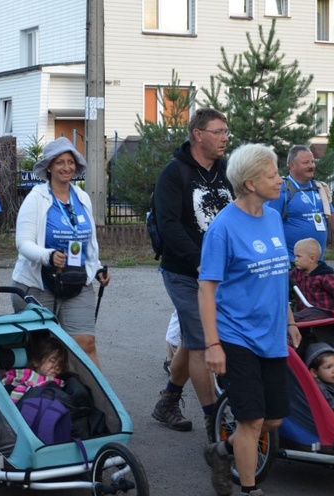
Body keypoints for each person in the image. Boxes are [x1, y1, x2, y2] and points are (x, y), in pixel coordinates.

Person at [199, 143, 300, 496]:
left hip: (271, 335)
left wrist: (288, 319)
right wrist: (213, 344)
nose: (279, 179)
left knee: (272, 420)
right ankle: (249, 489)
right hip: (235, 336)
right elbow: (206, 290)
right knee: (252, 420)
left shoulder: (273, 217)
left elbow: (280, 274)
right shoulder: (223, 228)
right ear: (250, 183)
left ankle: (221, 450)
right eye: (271, 174)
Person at [151, 108, 234, 439]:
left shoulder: (227, 173)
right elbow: (168, 225)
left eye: (227, 131)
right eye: (219, 131)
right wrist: (200, 262)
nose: (225, 137)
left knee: (192, 337)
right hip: (185, 272)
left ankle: (168, 400)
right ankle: (215, 422)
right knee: (201, 340)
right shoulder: (174, 174)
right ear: (198, 134)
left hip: (224, 274)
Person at [11, 137, 109, 367]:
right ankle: (41, 400)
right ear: (49, 167)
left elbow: (89, 243)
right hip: (38, 284)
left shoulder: (82, 197)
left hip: (76, 282)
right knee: (43, 351)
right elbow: (23, 243)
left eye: (70, 162)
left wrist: (97, 269)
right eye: (60, 162)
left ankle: (95, 401)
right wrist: (48, 255)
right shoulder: (36, 198)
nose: (66, 167)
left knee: (86, 343)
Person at [266, 145, 334, 260]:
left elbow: (332, 216)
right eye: (306, 162)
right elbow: (269, 223)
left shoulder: (319, 188)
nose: (311, 166)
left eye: (312, 162)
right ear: (292, 166)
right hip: (292, 264)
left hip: (317, 264)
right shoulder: (281, 189)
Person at [290, 238, 334, 321]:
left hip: (325, 316)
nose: (295, 259)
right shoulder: (297, 273)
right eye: (295, 256)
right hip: (306, 314)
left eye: (298, 256)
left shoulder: (324, 276)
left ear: (312, 259)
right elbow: (285, 278)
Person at [1, 333, 69, 403]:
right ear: (36, 361)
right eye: (52, 361)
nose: (57, 367)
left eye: (61, 364)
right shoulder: (22, 374)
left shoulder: (58, 384)